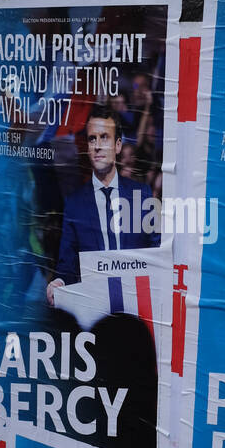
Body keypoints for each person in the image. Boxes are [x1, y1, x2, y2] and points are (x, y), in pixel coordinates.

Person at [46, 104, 161, 301]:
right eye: (92, 139)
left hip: (137, 307)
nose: (97, 145)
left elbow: (157, 253)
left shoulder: (142, 194)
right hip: (94, 309)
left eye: (104, 137)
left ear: (117, 146)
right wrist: (59, 283)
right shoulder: (74, 204)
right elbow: (67, 265)